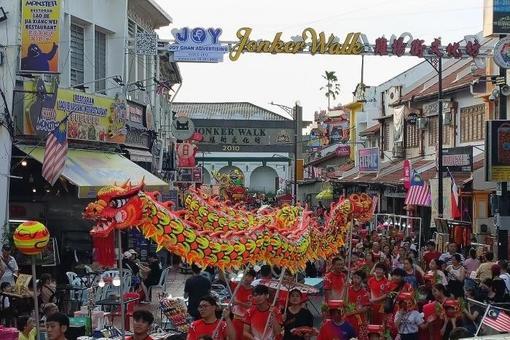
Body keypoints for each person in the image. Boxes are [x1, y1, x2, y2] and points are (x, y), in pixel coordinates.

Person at [344, 270, 369, 340]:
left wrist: (353, 312)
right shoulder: (348, 289)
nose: (355, 280)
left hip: (360, 319)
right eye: (354, 277)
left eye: (358, 278)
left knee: (359, 336)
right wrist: (345, 289)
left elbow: (366, 308)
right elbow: (343, 302)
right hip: (348, 318)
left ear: (362, 279)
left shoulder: (364, 292)